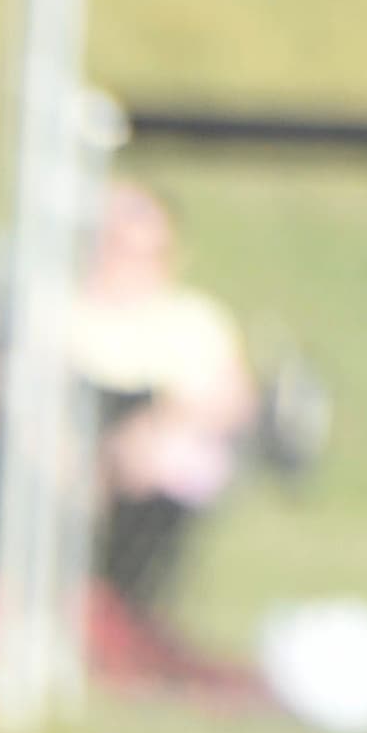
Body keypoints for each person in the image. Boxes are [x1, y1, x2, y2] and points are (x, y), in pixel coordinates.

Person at [72, 181, 257, 687]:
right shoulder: (61, 313)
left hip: (157, 476)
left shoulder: (192, 322)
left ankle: (136, 637)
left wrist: (148, 434)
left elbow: (229, 398)